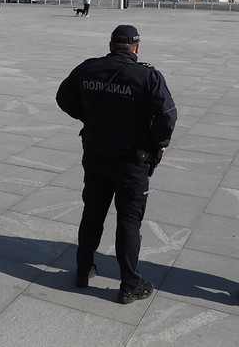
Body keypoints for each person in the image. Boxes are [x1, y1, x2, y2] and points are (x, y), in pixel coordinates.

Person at [56, 25, 177, 305]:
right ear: (136, 47)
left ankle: (83, 269)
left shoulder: (88, 69)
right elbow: (167, 116)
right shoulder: (148, 77)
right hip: (132, 161)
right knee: (129, 221)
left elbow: (63, 98)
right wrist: (158, 142)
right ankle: (129, 285)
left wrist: (89, 118)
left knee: (93, 213)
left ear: (111, 45)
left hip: (96, 154)